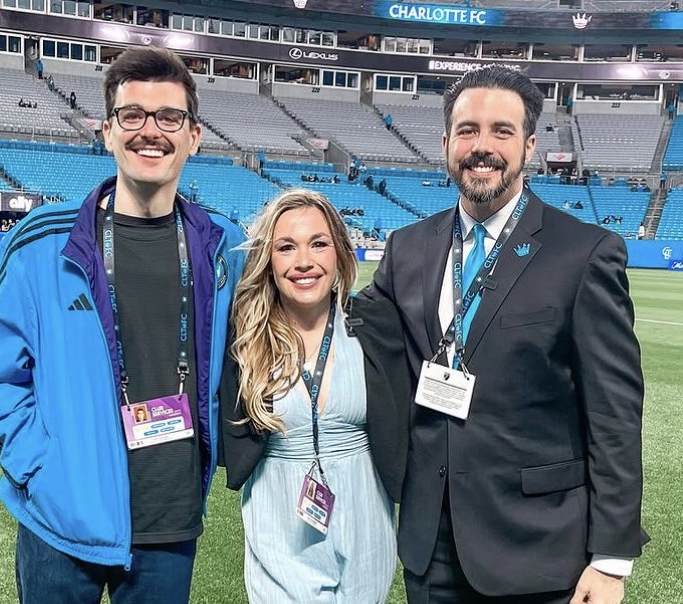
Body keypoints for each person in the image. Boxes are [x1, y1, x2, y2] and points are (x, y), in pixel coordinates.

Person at [0, 47, 245, 604]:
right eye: (132, 116)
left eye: (169, 117)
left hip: (171, 519)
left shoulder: (225, 246)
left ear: (194, 136)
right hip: (62, 521)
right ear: (107, 132)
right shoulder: (42, 243)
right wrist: (40, 467)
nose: (150, 132)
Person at [361, 65, 645, 604]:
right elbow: (362, 334)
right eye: (467, 130)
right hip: (431, 544)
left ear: (530, 145)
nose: (481, 147)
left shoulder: (583, 252)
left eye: (501, 131)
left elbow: (614, 411)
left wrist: (610, 560)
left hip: (538, 549)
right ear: (446, 142)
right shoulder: (407, 248)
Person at [220, 189, 411, 603]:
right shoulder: (244, 337)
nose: (304, 262)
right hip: (279, 517)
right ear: (268, 261)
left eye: (318, 244)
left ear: (339, 253)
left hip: (365, 515)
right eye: (286, 247)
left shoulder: (375, 325)